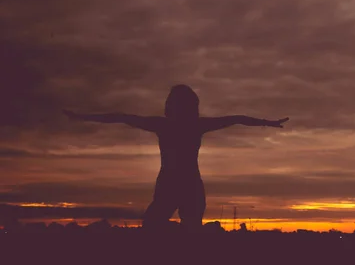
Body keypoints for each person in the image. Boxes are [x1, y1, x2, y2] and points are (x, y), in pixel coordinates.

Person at [63, 84, 289, 232]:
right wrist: (266, 123)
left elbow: (121, 117)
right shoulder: (191, 125)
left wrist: (83, 117)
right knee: (169, 227)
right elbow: (236, 118)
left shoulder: (169, 125)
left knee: (169, 227)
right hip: (182, 183)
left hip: (178, 183)